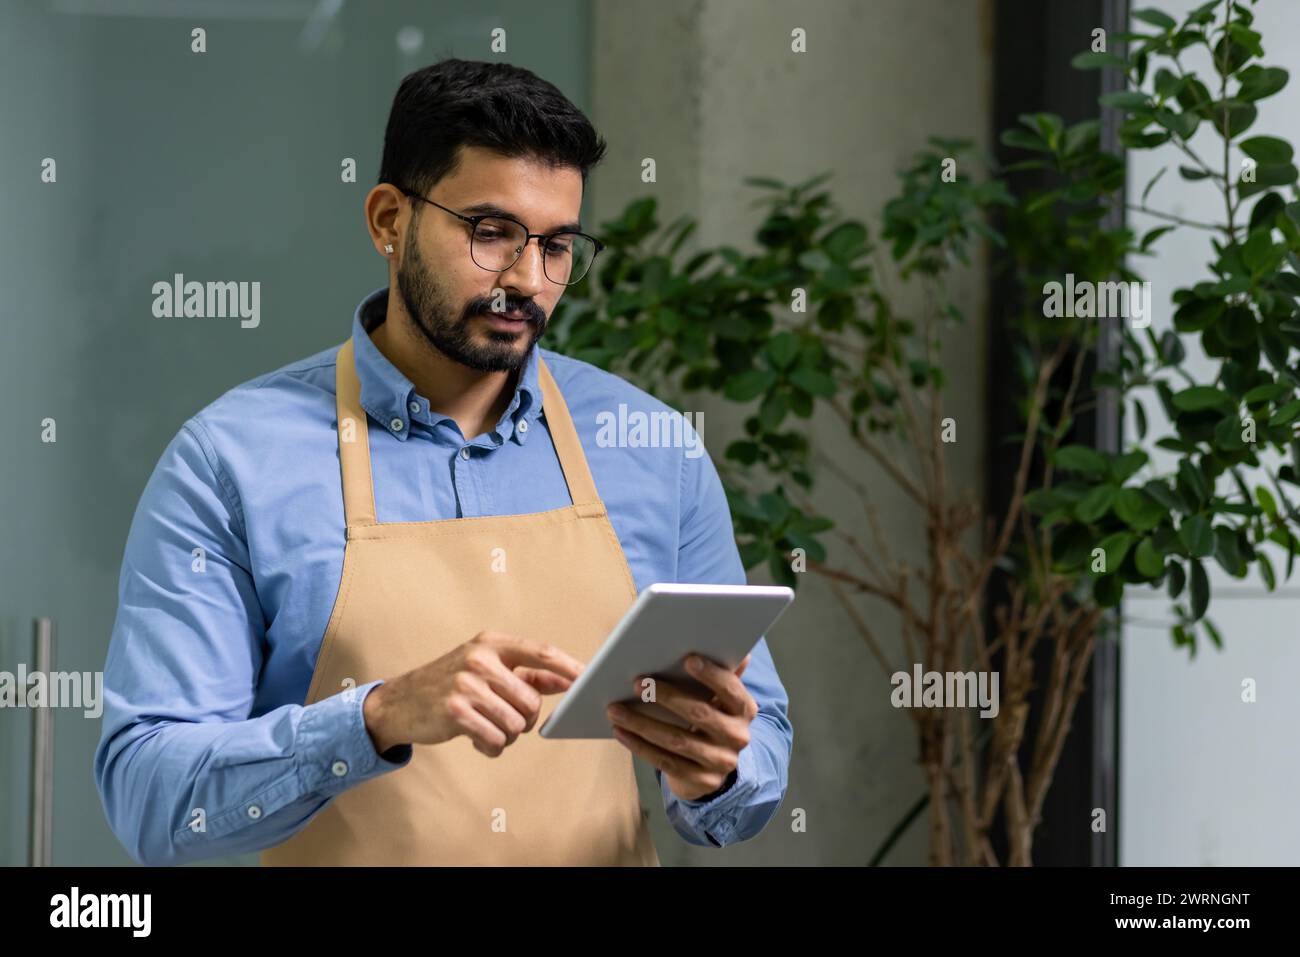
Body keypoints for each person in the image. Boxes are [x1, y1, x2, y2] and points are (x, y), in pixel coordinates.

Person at [94, 57, 792, 866]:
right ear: (389, 219)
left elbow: (756, 737)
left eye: (558, 245)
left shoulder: (654, 449)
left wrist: (717, 774)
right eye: (490, 233)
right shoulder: (231, 464)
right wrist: (375, 717)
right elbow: (151, 798)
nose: (527, 280)